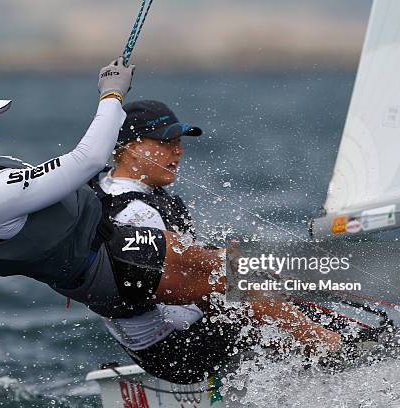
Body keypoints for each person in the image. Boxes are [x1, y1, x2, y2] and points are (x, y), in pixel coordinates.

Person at [0, 64, 340, 378]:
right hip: (110, 262)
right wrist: (112, 94)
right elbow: (87, 158)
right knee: (230, 277)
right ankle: (337, 343)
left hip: (97, 270)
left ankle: (319, 322)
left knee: (226, 274)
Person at [90, 100, 344, 383]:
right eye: (166, 142)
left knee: (267, 292)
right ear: (133, 148)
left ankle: (325, 345)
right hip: (175, 351)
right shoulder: (135, 213)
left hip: (154, 346)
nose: (178, 151)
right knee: (247, 285)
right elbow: (174, 307)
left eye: (178, 142)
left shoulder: (112, 189)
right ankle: (334, 352)